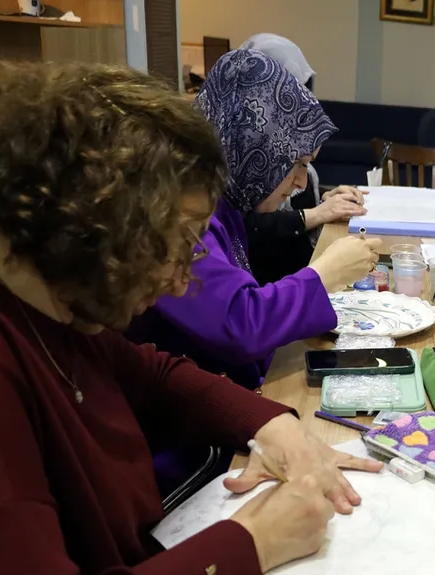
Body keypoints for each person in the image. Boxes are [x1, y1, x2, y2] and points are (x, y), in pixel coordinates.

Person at [0, 60, 383, 575]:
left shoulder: (45, 295)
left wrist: (272, 423)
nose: (179, 283)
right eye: (177, 243)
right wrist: (254, 541)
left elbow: (153, 373)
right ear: (92, 219)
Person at [129, 50, 381, 389]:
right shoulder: (185, 215)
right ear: (254, 146)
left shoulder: (228, 205)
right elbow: (239, 326)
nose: (301, 182)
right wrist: (324, 275)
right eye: (297, 163)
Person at [237, 33, 368, 284]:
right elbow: (249, 226)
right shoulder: (241, 154)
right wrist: (317, 213)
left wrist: (326, 199)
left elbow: (296, 195)